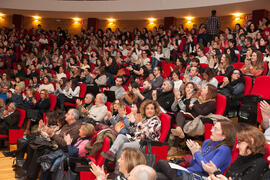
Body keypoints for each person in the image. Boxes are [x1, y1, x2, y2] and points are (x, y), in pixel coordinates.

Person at [155, 120, 235, 179]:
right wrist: (194, 154)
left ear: (224, 136)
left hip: (200, 177)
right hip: (189, 172)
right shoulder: (208, 142)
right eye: (213, 127)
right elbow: (192, 163)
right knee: (158, 176)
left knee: (161, 163)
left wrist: (197, 153)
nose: (211, 130)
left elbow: (208, 170)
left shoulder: (224, 150)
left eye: (216, 129)